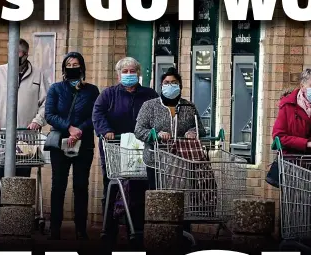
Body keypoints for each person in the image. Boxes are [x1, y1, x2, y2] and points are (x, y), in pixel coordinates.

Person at [0, 38, 49, 230]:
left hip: (26, 135)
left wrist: (37, 120)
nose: (15, 57)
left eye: (19, 54)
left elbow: (46, 103)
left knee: (23, 173)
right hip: (0, 134)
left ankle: (20, 213)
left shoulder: (38, 75)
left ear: (25, 54)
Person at [134, 67, 207, 244]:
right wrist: (156, 134)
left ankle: (183, 233)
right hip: (156, 160)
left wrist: (192, 131)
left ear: (180, 86)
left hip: (181, 161)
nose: (170, 86)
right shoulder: (150, 106)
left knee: (183, 197)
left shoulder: (188, 107)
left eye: (174, 83)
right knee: (159, 197)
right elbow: (139, 130)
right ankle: (157, 232)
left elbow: (200, 129)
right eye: (166, 83)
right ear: (161, 85)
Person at [91, 57, 158, 243]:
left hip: (141, 148)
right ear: (118, 75)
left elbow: (159, 114)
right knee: (112, 185)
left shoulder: (149, 94)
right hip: (115, 148)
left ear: (138, 73)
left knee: (139, 187)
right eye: (125, 72)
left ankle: (135, 228)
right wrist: (106, 131)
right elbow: (97, 114)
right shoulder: (108, 94)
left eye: (132, 71)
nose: (129, 75)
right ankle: (109, 228)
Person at [45, 52, 100, 240]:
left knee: (80, 185)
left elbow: (95, 115)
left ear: (82, 67)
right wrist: (69, 128)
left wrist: (79, 131)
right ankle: (55, 228)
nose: (72, 67)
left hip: (83, 144)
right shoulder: (55, 89)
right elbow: (49, 114)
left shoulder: (92, 91)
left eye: (76, 64)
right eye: (69, 64)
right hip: (59, 142)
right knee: (58, 185)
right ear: (63, 68)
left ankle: (80, 228)